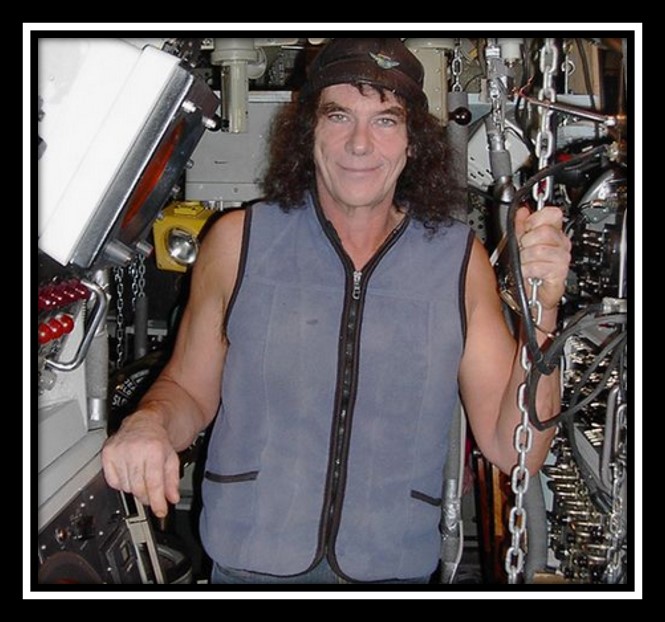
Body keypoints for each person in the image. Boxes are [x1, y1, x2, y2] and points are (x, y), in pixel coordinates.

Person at [102, 38, 571, 585]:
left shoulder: (457, 260)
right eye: (339, 116)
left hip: (391, 572)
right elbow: (188, 387)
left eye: (386, 121)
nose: (359, 143)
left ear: (414, 142)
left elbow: (513, 448)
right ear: (310, 131)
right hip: (251, 564)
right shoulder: (238, 241)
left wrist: (543, 311)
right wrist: (150, 422)